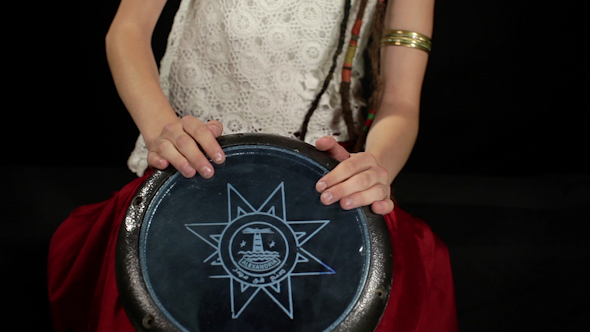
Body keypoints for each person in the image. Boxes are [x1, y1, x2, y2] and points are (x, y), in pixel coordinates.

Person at [48, 0, 457, 331]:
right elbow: (127, 30)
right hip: (192, 179)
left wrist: (373, 169)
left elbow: (400, 104)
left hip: (323, 195)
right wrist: (163, 132)